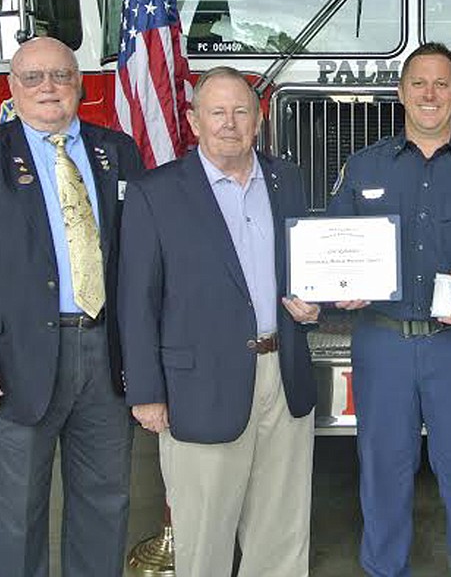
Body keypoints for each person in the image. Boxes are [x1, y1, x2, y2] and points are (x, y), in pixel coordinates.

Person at [0, 36, 145, 576]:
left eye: (61, 76)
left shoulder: (117, 151)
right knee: (13, 516)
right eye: (33, 77)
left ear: (81, 85)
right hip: (10, 365)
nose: (48, 87)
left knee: (104, 503)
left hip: (106, 359)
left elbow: (142, 259)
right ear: (12, 88)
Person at [326, 42, 451, 577]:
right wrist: (339, 285)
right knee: (382, 470)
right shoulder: (363, 166)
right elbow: (331, 246)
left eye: (442, 84)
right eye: (419, 83)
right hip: (382, 340)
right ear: (401, 93)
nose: (430, 94)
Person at [118, 66, 319, 577]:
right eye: (217, 112)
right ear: (193, 120)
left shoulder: (286, 179)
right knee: (204, 534)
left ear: (258, 118)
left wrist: (317, 304)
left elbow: (302, 270)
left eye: (240, 111)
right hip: (199, 385)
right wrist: (146, 392)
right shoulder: (155, 193)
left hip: (284, 372)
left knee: (281, 528)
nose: (229, 123)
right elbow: (136, 300)